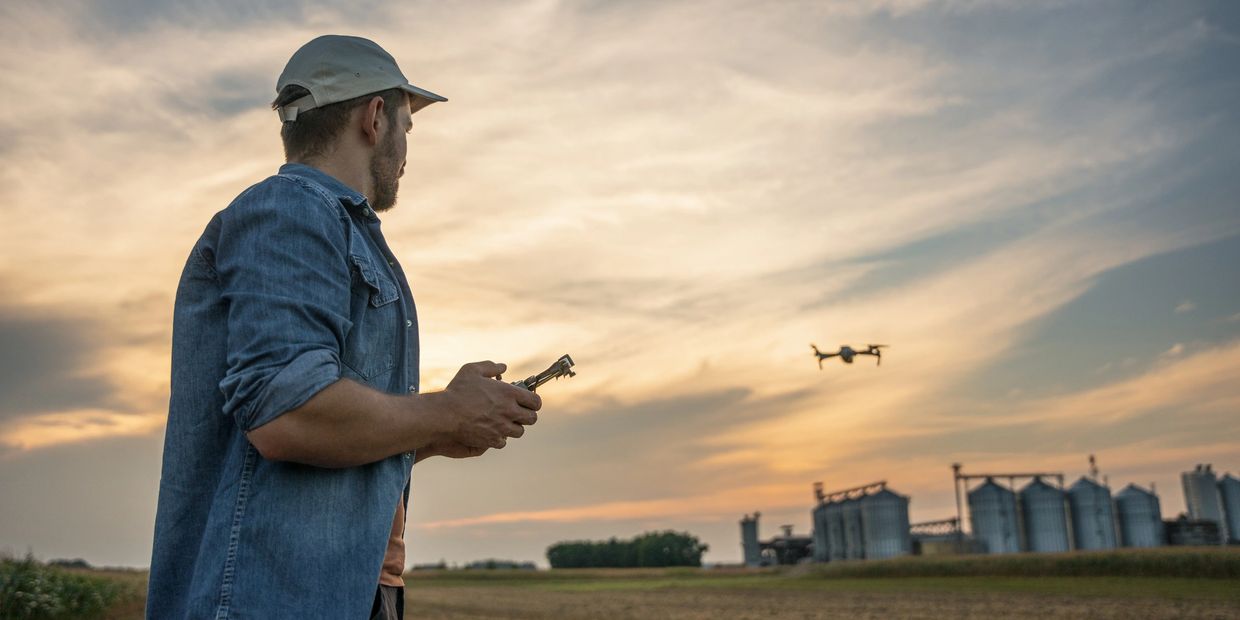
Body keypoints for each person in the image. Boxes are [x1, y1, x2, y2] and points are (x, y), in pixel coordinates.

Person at [146, 35, 541, 619]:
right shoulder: (290, 211)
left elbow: (310, 433)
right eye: (408, 125)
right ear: (376, 118)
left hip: (351, 589)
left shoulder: (329, 227)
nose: (408, 147)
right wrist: (447, 410)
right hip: (273, 600)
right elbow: (287, 415)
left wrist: (431, 436)